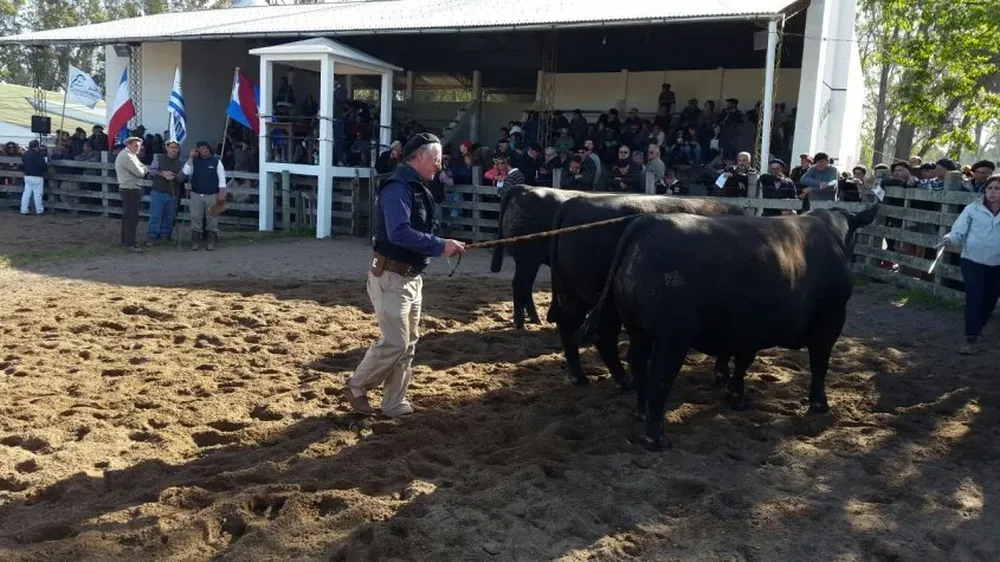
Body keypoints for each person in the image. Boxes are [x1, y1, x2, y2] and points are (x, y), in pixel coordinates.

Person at [343, 133, 466, 418]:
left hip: (409, 277)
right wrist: (440, 245)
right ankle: (357, 384)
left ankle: (394, 403)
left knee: (408, 343)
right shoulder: (398, 188)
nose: (439, 165)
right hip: (391, 276)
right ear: (419, 156)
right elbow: (399, 233)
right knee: (396, 342)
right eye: (436, 159)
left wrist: (441, 245)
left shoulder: (415, 187)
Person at [938, 174, 1000, 354]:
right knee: (974, 296)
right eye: (989, 188)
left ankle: (979, 326)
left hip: (997, 262)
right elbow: (959, 230)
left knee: (991, 299)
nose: (992, 192)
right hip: (972, 259)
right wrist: (950, 238)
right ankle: (970, 338)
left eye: (997, 189)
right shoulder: (972, 209)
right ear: (984, 190)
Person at [182, 141, 227, 251]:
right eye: (202, 148)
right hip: (196, 194)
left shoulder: (216, 162)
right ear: (198, 150)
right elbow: (186, 172)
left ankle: (211, 241)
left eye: (206, 148)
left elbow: (222, 179)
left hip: (212, 194)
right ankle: (195, 242)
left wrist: (221, 194)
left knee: (212, 218)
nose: (205, 150)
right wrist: (191, 157)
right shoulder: (194, 161)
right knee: (195, 217)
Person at [146, 139, 185, 245]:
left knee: (169, 215)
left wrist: (174, 176)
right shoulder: (158, 158)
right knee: (155, 215)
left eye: (176, 148)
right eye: (171, 147)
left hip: (173, 192)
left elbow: (182, 177)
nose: (174, 150)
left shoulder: (181, 162)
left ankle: (165, 236)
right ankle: (152, 236)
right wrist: (163, 174)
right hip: (158, 191)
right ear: (167, 148)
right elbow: (152, 170)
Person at [114, 136, 148, 251]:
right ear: (128, 144)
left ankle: (127, 241)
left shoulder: (131, 155)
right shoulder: (127, 156)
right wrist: (144, 169)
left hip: (130, 188)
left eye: (139, 146)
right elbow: (140, 172)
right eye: (135, 146)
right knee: (131, 217)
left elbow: (141, 168)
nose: (138, 148)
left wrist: (143, 168)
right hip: (129, 189)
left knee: (129, 216)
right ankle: (129, 243)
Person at [20, 139, 47, 216]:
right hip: (37, 176)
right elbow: (43, 166)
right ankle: (39, 210)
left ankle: (24, 210)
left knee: (26, 193)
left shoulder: (25, 154)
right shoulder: (39, 155)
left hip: (27, 175)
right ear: (37, 146)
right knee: (38, 194)